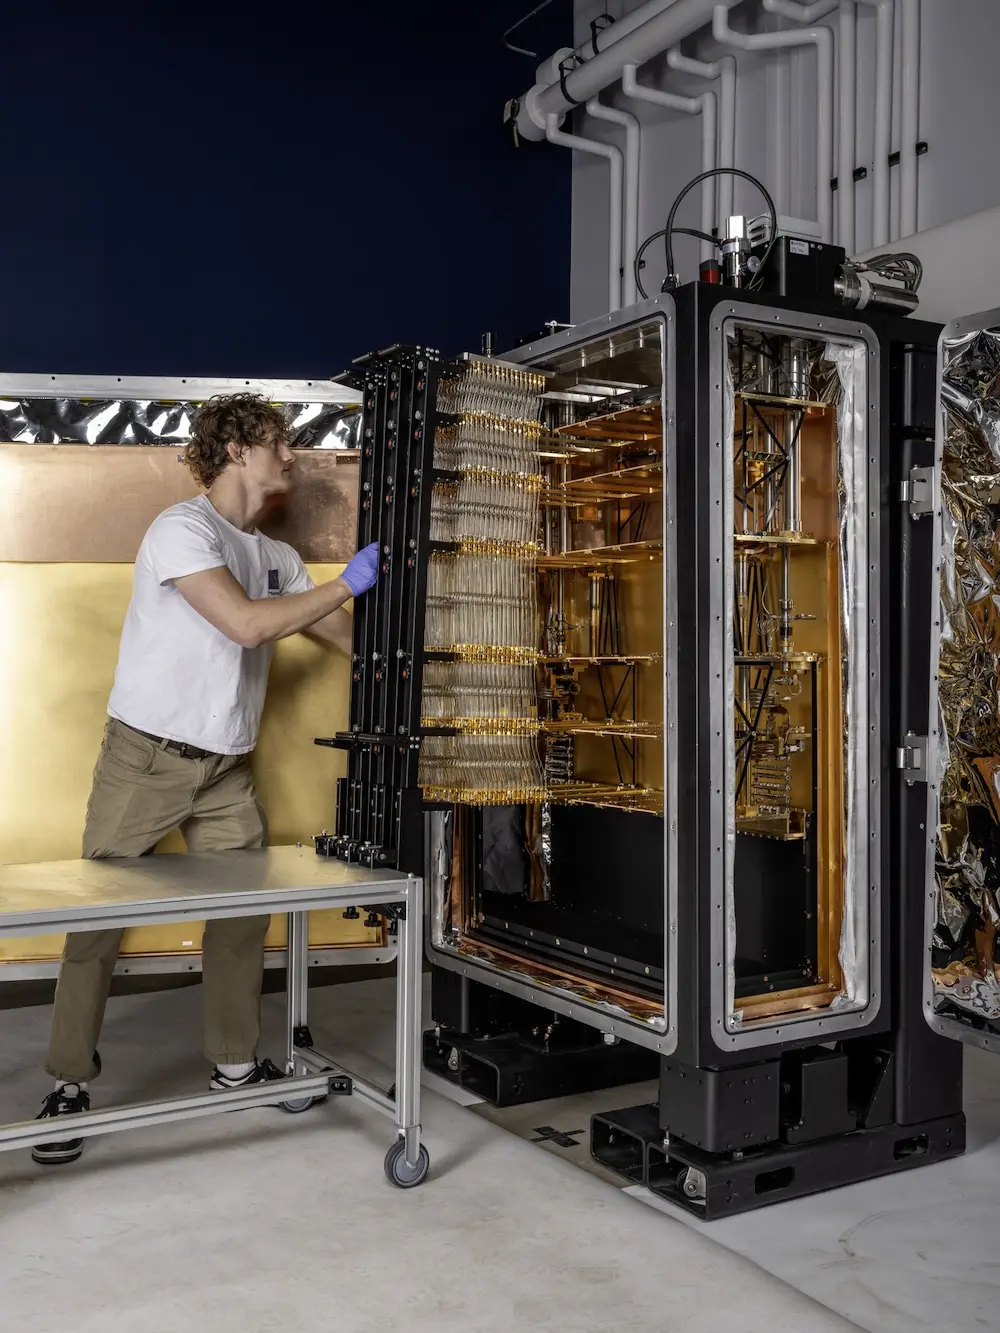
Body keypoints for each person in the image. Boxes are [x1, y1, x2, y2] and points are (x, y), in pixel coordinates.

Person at [33, 392, 380, 1165]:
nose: (289, 454)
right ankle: (66, 1081)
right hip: (145, 759)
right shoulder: (181, 530)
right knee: (96, 923)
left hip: (225, 768)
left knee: (241, 914)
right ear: (235, 451)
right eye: (275, 441)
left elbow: (340, 637)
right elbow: (249, 625)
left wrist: (402, 639)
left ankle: (232, 1062)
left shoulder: (273, 556)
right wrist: (347, 582)